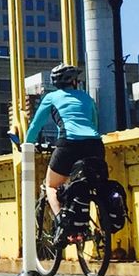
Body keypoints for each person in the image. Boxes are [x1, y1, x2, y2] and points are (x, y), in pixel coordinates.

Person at [24, 64, 103, 226]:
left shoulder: (51, 98)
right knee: (89, 184)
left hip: (69, 145)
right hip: (95, 145)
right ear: (74, 82)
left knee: (51, 185)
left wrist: (27, 144)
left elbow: (35, 126)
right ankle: (95, 227)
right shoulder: (86, 97)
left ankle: (62, 220)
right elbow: (95, 123)